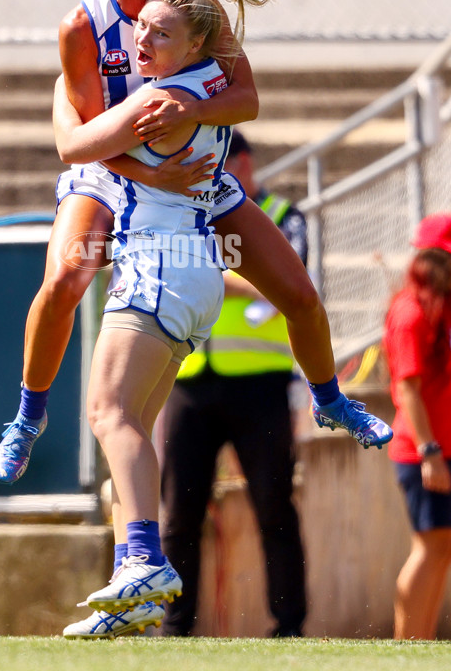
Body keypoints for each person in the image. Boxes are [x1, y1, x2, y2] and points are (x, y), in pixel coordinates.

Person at [0, 0, 392, 492]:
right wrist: (152, 172)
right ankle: (27, 417)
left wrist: (183, 109)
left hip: (195, 179)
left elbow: (248, 99)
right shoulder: (82, 26)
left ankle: (329, 399)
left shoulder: (197, 14)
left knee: (298, 293)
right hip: (115, 169)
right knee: (66, 275)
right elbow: (86, 141)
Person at [59, 0, 279, 638]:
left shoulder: (161, 97)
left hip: (161, 263)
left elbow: (74, 146)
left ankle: (145, 562)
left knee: (108, 416)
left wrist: (63, 95)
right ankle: (139, 588)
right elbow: (243, 92)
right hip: (191, 270)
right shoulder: (210, 85)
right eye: (139, 28)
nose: (140, 39)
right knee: (135, 430)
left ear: (192, 45)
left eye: (158, 32)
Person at [159, 128, 306, 638]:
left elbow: (287, 281)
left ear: (243, 162)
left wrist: (210, 273)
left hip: (259, 385)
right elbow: (167, 276)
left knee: (274, 506)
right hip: (189, 381)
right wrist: (241, 275)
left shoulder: (284, 216)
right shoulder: (179, 211)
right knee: (178, 515)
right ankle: (174, 628)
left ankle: (289, 626)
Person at [382, 213, 451, 641]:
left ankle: (421, 645)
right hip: (423, 452)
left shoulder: (440, 310)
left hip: (442, 449)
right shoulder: (410, 312)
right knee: (429, 548)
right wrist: (431, 453)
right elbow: (408, 389)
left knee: (441, 549)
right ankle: (408, 644)